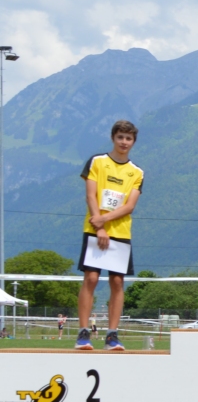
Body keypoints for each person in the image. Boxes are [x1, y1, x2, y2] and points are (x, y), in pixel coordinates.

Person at [75, 120, 144, 350]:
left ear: (133, 142)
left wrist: (104, 221)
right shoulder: (97, 161)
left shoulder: (137, 172)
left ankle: (112, 335)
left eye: (128, 138)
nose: (124, 142)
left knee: (117, 281)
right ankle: (83, 333)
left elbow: (129, 206)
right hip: (94, 229)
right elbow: (91, 195)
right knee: (91, 279)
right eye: (120, 137)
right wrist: (99, 227)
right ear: (113, 138)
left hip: (120, 231)